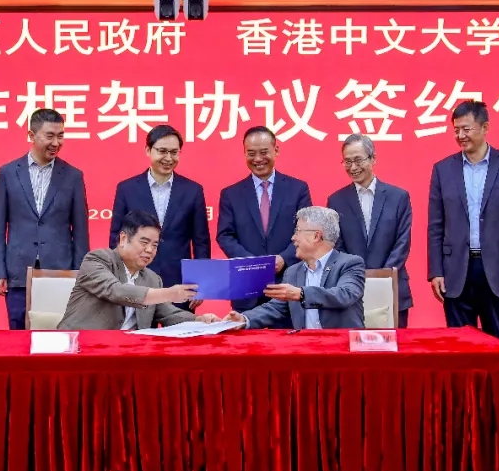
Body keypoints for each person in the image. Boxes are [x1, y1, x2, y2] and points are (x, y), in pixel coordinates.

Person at [427, 100, 499, 342]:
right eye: (456, 130)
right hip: (456, 271)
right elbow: (436, 225)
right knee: (460, 346)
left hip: (497, 270)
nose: (460, 136)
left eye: (466, 129)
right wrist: (436, 271)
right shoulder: (443, 169)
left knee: (498, 344)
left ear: (485, 128)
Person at [0, 108, 89, 329]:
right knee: (18, 336)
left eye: (60, 136)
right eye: (49, 136)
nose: (56, 142)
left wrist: (79, 275)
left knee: (59, 335)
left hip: (60, 273)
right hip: (18, 272)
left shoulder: (73, 176)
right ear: (31, 135)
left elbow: (81, 232)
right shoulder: (8, 173)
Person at [58, 211, 220, 330]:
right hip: (80, 347)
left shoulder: (152, 278)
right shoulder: (97, 259)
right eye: (144, 242)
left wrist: (201, 320)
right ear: (123, 238)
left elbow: (169, 314)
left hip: (128, 353)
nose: (150, 250)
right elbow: (116, 291)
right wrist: (171, 293)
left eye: (155, 245)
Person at [109, 125, 211, 310]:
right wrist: (118, 277)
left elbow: (201, 241)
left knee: (181, 328)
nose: (168, 158)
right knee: (138, 329)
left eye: (174, 152)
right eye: (162, 151)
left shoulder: (193, 190)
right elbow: (116, 237)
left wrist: (201, 281)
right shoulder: (127, 189)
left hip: (180, 284)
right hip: (137, 282)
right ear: (148, 150)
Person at [216, 126, 311, 315]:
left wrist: (284, 258)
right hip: (246, 285)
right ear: (244, 153)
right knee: (245, 333)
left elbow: (306, 232)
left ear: (276, 150)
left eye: (264, 152)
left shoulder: (298, 189)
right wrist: (253, 264)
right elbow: (225, 236)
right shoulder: (231, 194)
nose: (258, 159)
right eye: (251, 153)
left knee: (289, 334)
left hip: (287, 284)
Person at [225, 207, 365, 330]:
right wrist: (244, 319)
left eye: (297, 231)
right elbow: (276, 307)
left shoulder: (350, 264)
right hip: (305, 346)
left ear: (316, 236)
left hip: (343, 346)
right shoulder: (293, 272)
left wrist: (301, 294)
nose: (293, 238)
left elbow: (344, 295)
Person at [327, 134, 413, 328]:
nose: (353, 167)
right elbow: (337, 246)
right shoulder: (336, 200)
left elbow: (402, 242)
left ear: (373, 158)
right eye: (347, 162)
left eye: (358, 160)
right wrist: (356, 276)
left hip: (392, 286)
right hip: (351, 290)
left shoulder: (398, 197)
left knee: (394, 346)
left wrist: (382, 278)